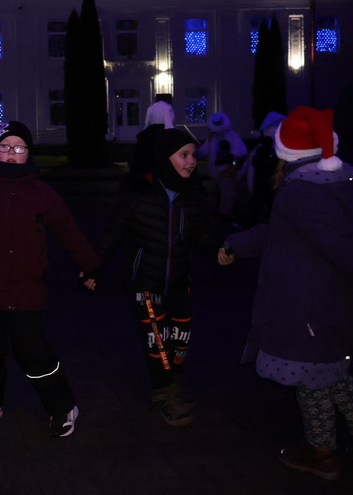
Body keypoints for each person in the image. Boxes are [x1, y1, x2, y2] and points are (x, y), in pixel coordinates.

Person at [220, 107, 353, 480]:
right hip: (324, 304)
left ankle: (321, 452)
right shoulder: (327, 183)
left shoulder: (304, 192)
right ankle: (320, 449)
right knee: (329, 378)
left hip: (311, 309)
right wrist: (237, 244)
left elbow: (342, 245)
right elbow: (279, 230)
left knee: (319, 380)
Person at [0, 121, 98, 437]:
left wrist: (90, 266)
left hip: (28, 290)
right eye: (5, 147)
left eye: (19, 147)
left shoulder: (42, 194)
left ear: (28, 152)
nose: (11, 153)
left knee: (34, 353)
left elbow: (68, 232)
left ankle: (62, 407)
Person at [99, 128, 218, 427]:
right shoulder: (138, 197)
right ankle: (164, 393)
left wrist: (220, 253)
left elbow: (205, 238)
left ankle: (173, 383)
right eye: (184, 155)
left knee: (181, 341)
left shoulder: (194, 199)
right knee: (158, 343)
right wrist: (91, 267)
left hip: (179, 284)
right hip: (146, 285)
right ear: (166, 158)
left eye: (194, 155)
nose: (191, 161)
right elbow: (111, 235)